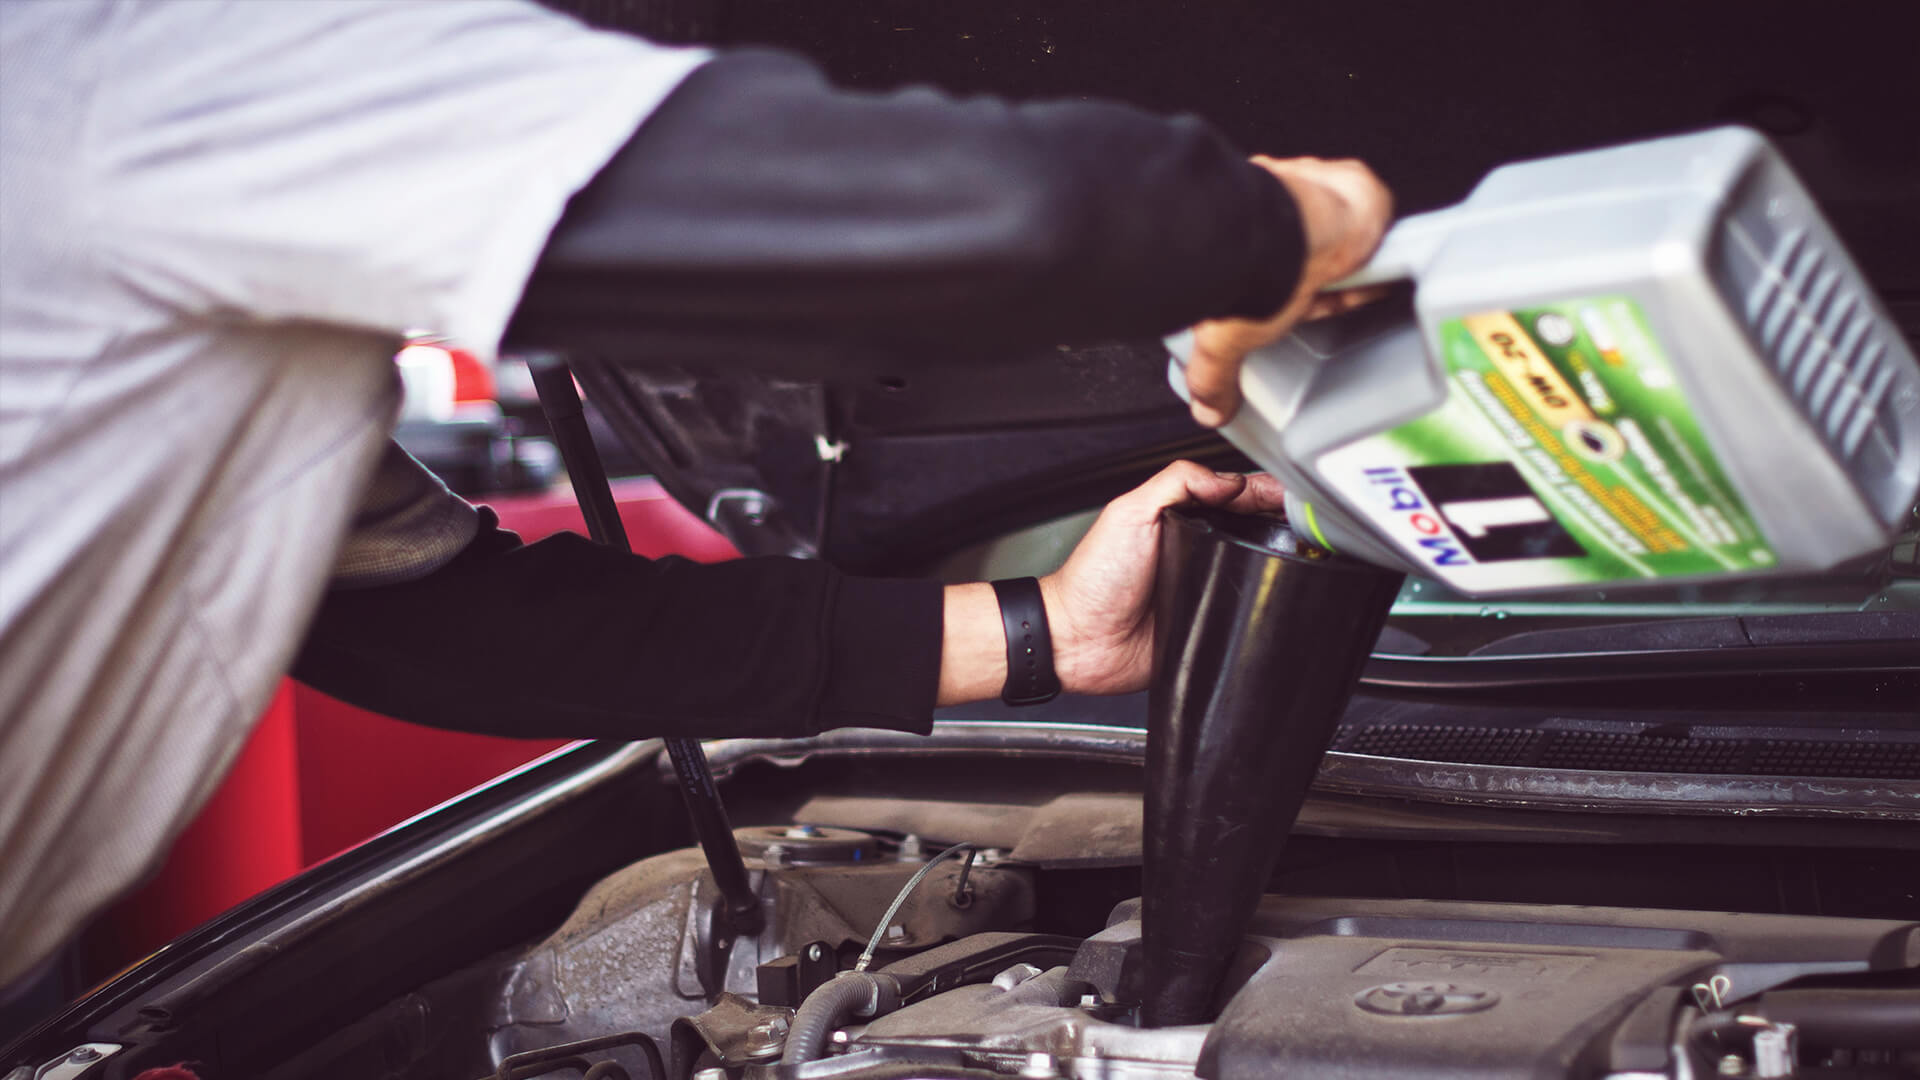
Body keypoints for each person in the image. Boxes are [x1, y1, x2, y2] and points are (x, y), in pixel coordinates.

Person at [0, 0, 1389, 991]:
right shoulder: (146, 66)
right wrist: (1283, 224)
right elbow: (967, 215)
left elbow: (422, 620)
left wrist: (1040, 635)